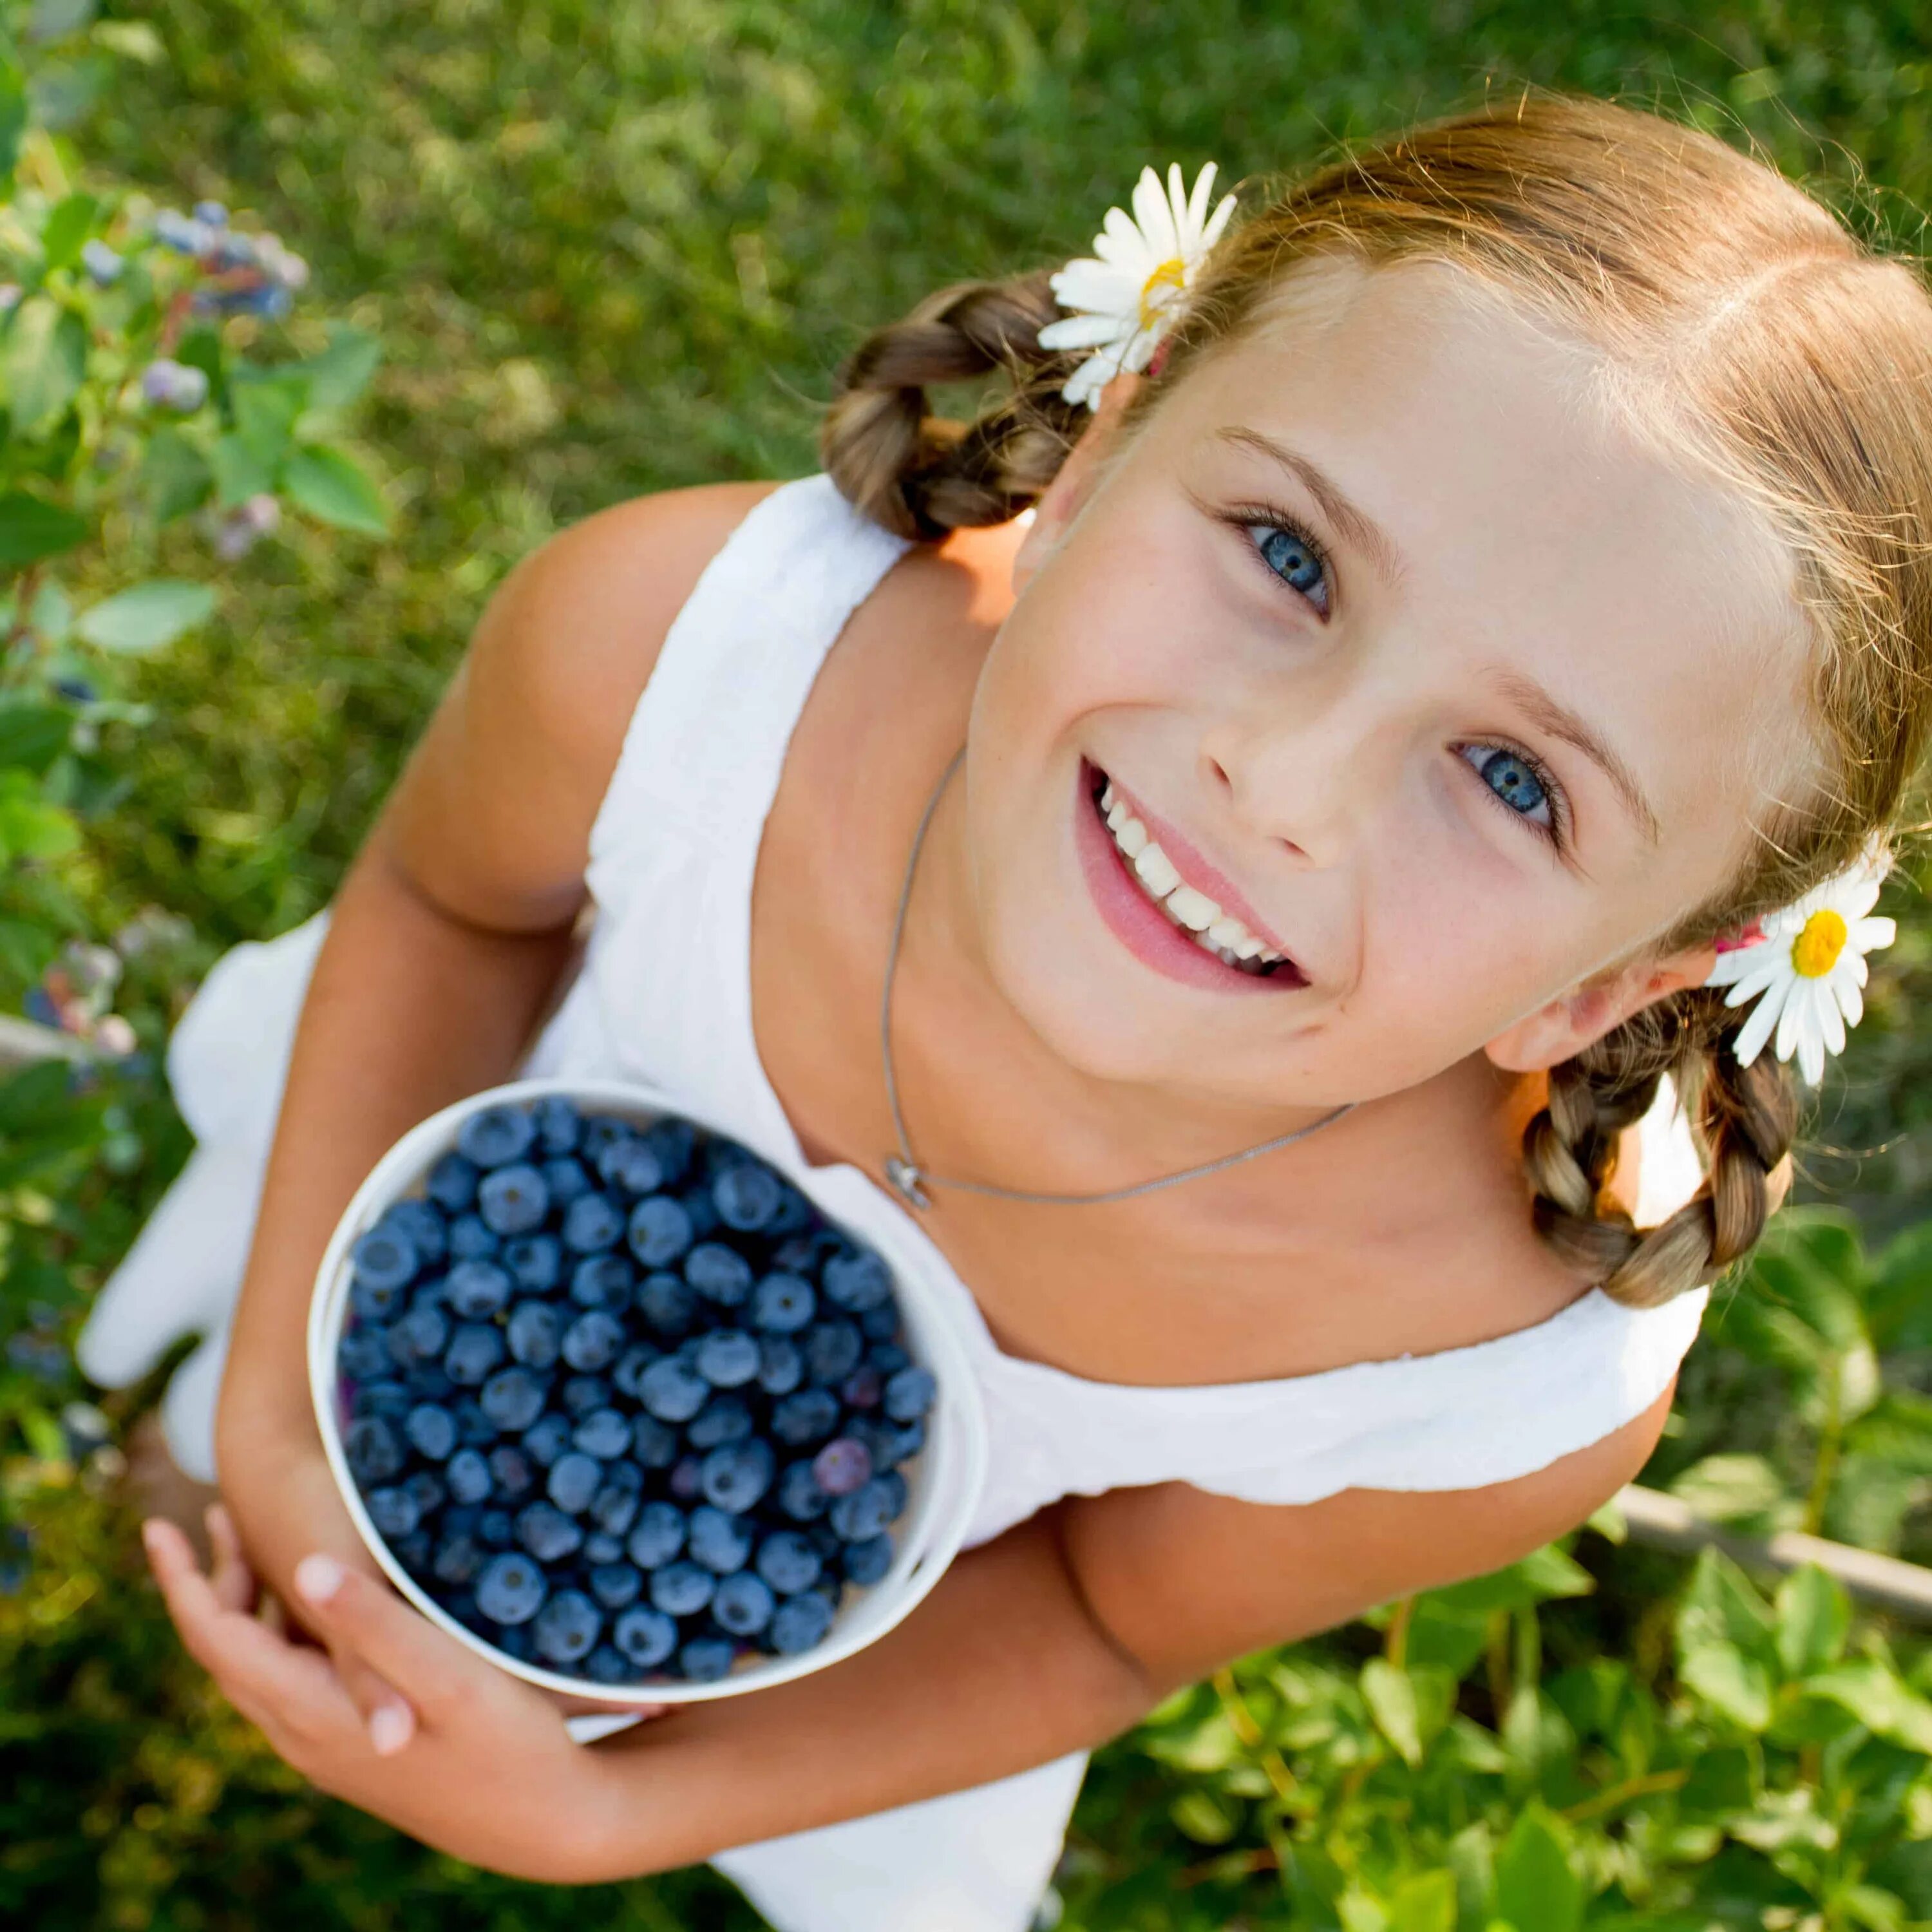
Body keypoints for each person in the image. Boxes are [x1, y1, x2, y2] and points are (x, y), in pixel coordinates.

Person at [86, 89, 1930, 1930]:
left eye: (1517, 781)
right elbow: (438, 911)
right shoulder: (672, 656)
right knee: (233, 1483)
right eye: (1291, 558)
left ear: (1612, 983)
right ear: (1105, 448)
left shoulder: (1494, 1367)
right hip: (390, 1207)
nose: (1278, 781)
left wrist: (599, 1813)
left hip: (839, 1686)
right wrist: (271, 1406)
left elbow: (1094, 1614)